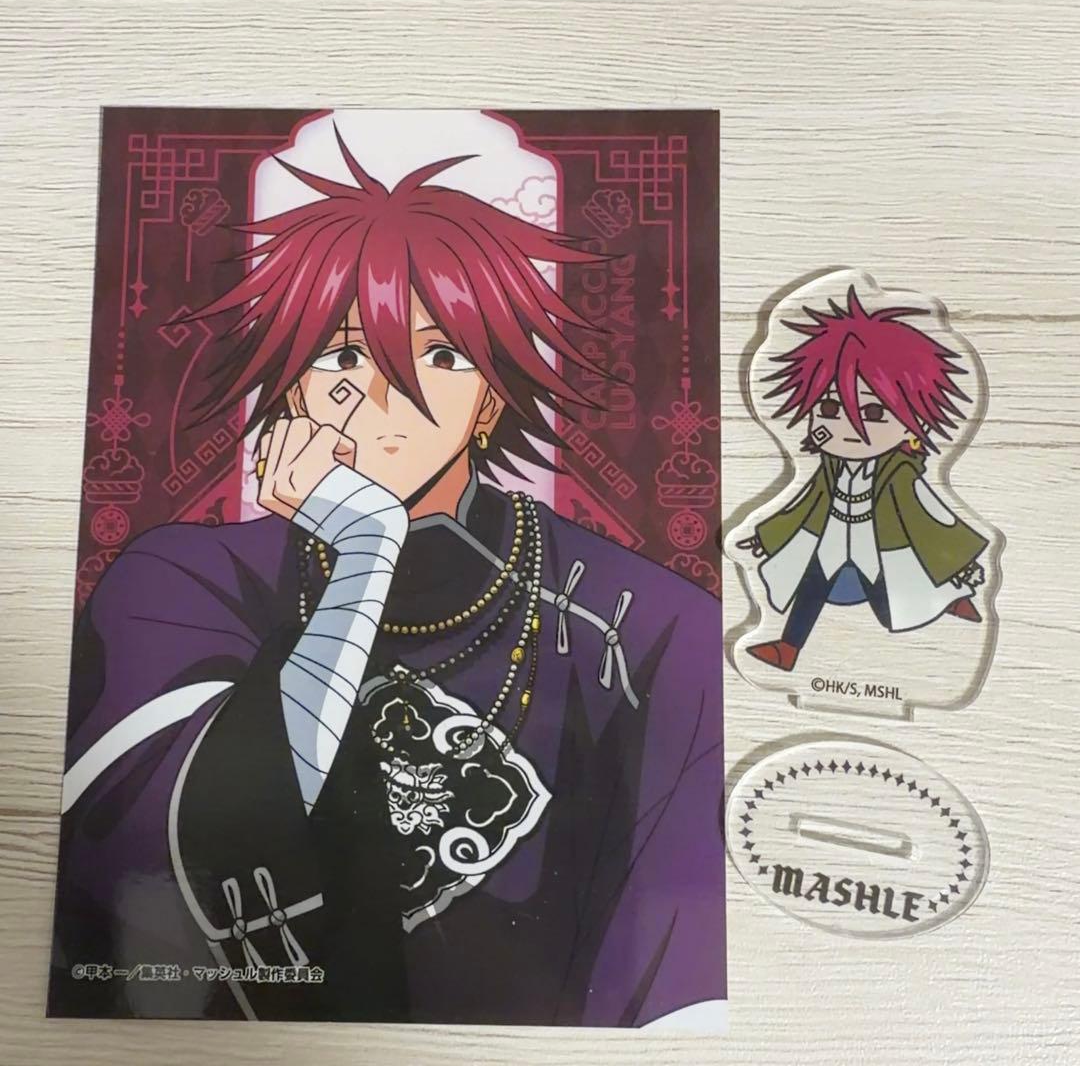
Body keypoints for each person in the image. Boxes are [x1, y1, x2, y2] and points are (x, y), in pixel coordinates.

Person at [50, 129, 726, 1027]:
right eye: (340, 354)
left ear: (492, 398)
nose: (381, 396)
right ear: (286, 384)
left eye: (441, 357)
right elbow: (167, 857)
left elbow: (680, 972)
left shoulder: (653, 626)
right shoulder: (174, 583)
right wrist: (364, 556)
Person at [739, 286, 987, 672]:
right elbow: (803, 504)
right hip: (833, 535)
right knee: (813, 581)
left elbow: (931, 519)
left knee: (889, 609)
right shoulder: (829, 468)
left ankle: (947, 598)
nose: (849, 426)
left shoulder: (900, 474)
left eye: (874, 413)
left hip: (878, 543)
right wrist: (768, 535)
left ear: (915, 423)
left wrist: (959, 565)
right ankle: (788, 649)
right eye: (829, 407)